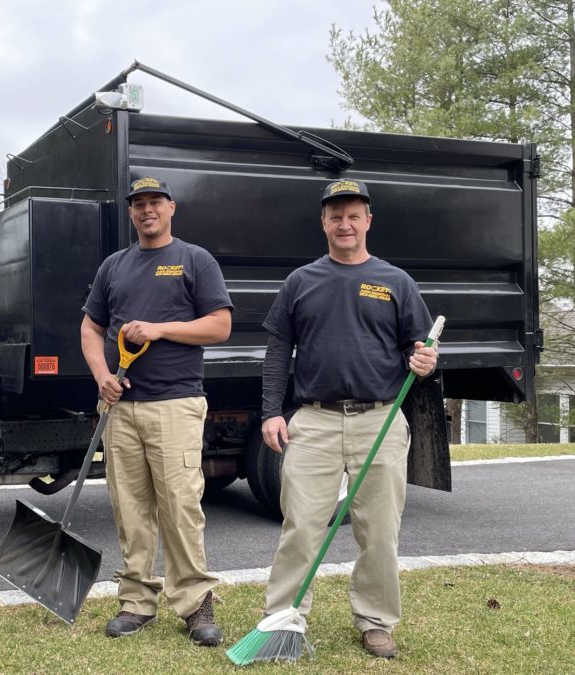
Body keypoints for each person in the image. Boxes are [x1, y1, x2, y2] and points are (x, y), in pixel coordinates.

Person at [260, 178, 438, 658]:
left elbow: (419, 351)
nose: (344, 223)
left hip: (379, 420)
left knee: (379, 530)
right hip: (313, 421)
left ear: (367, 222)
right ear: (323, 222)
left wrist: (424, 363)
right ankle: (283, 619)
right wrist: (271, 413)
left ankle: (375, 621)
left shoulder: (397, 281)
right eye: (335, 215)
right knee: (301, 525)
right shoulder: (300, 281)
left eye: (353, 215)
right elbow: (278, 351)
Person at [81, 176, 232, 646]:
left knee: (181, 506)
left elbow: (220, 326)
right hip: (121, 408)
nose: (147, 211)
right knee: (130, 507)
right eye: (139, 204)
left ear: (171, 208)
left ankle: (195, 604)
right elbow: (91, 327)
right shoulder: (115, 267)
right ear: (131, 213)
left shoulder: (194, 259)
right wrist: (102, 375)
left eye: (155, 203)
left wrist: (161, 330)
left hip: (176, 404)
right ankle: (136, 602)